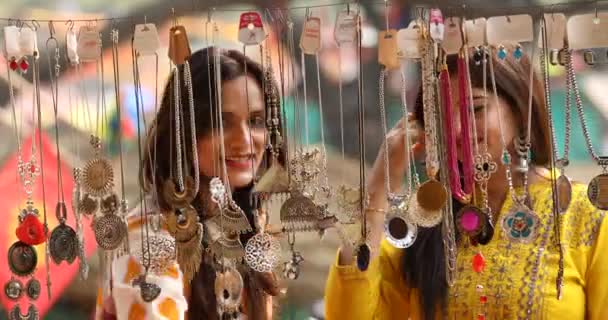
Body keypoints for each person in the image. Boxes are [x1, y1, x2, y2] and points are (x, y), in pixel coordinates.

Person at [324, 44, 608, 319]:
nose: (458, 128)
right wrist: (379, 183)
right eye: (444, 115)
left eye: (476, 109)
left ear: (521, 109)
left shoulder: (583, 214)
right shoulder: (424, 219)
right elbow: (350, 314)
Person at [96, 47, 284, 320]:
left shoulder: (240, 224)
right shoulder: (149, 239)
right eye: (223, 122)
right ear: (185, 132)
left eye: (256, 121)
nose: (245, 140)